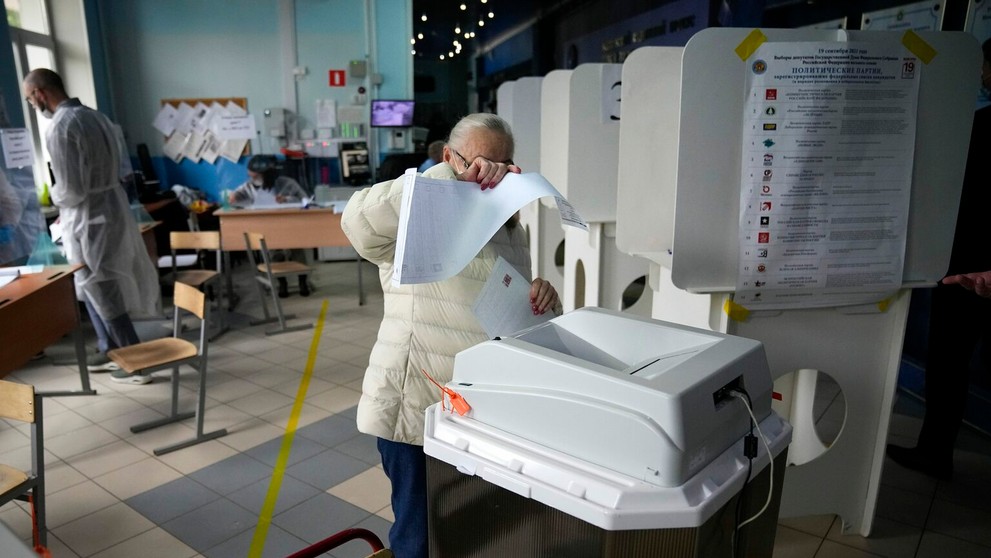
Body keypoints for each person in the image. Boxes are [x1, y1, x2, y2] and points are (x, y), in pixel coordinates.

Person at [342, 113, 561, 558]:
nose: (491, 174)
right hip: (416, 408)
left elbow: (505, 302)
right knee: (419, 539)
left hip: (475, 410)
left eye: (502, 164)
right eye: (480, 162)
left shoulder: (509, 227)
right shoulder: (416, 211)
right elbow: (357, 222)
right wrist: (447, 181)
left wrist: (540, 295)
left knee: (470, 531)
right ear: (448, 157)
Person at [886, 39, 991, 480]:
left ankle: (935, 451)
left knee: (948, 364)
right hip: (967, 266)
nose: (982, 75)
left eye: (986, 67)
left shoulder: (980, 128)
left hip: (964, 271)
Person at [22, 68, 159, 384]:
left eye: (30, 99)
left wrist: (56, 199)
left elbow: (71, 189)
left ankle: (135, 362)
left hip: (89, 219)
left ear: (41, 93)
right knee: (100, 286)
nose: (33, 106)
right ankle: (114, 350)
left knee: (101, 288)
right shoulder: (97, 117)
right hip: (108, 211)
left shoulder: (61, 127)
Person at [229, 154, 311, 297]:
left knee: (297, 251)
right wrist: (233, 198)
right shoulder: (249, 186)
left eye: (257, 175)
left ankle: (302, 281)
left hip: (290, 225)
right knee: (273, 253)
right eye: (253, 175)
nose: (253, 178)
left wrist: (287, 199)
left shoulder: (287, 183)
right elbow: (235, 198)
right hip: (268, 227)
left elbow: (305, 200)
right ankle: (282, 283)